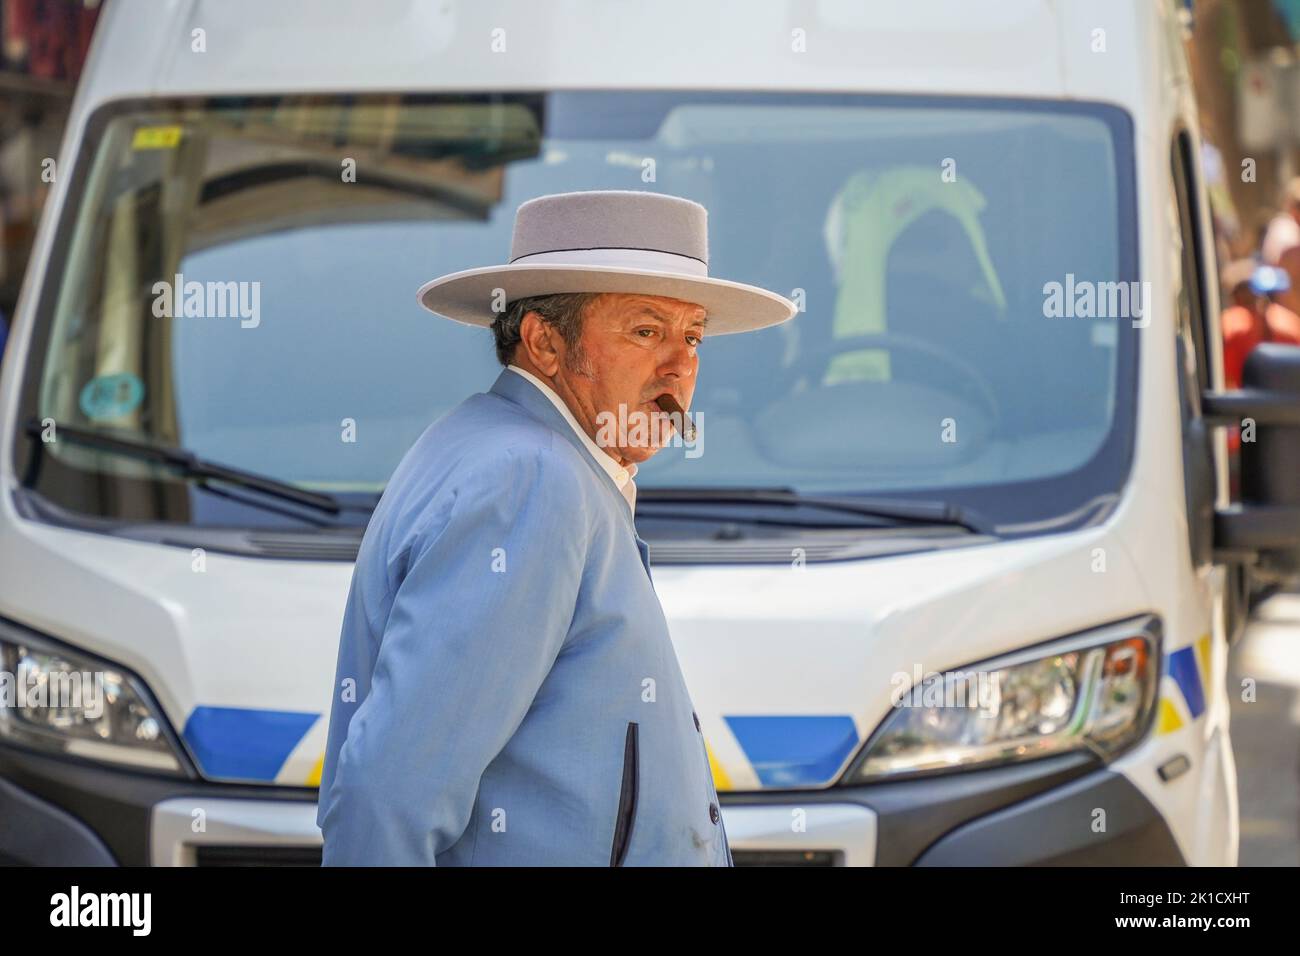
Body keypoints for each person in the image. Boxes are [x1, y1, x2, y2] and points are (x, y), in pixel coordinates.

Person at [316, 189, 797, 865]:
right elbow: (389, 795)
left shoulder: (509, 450)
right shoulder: (533, 479)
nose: (680, 366)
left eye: (691, 336)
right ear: (544, 341)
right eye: (645, 330)